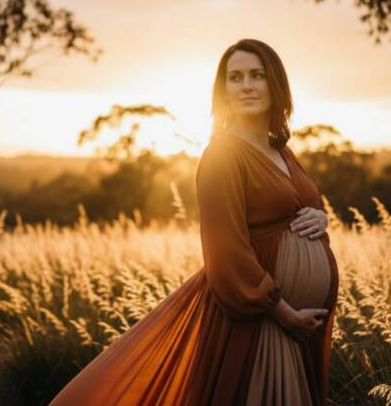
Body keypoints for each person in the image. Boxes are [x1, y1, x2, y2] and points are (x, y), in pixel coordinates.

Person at [48, 38, 340, 406]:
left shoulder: (281, 150)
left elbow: (297, 207)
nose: (246, 85)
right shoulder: (222, 154)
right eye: (235, 78)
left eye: (257, 75)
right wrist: (283, 313)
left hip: (297, 326)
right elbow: (225, 250)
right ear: (224, 90)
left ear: (276, 84)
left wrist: (321, 215)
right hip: (264, 321)